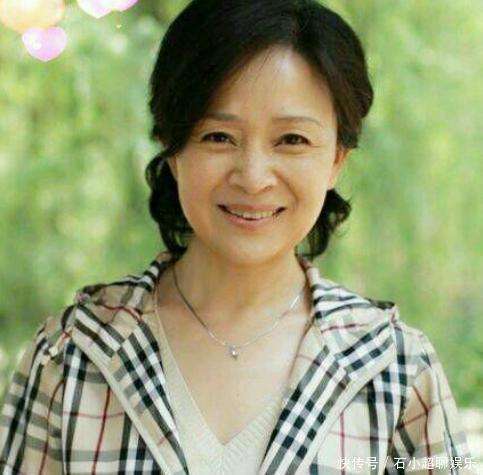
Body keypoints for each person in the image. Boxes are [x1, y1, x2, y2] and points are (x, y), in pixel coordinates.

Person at [0, 1, 475, 474]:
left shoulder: (398, 369)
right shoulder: (71, 354)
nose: (253, 177)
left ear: (336, 160)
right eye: (218, 137)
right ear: (172, 149)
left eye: (292, 140)